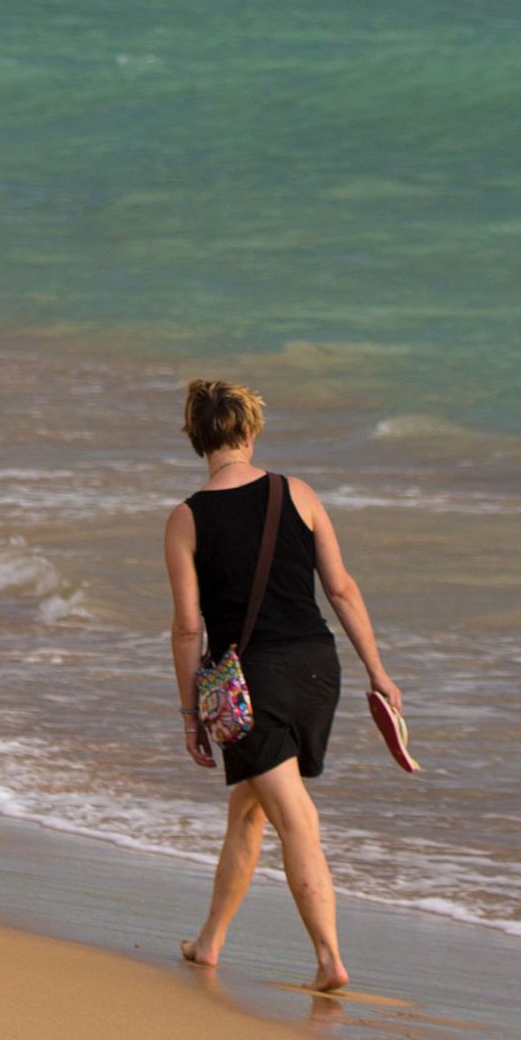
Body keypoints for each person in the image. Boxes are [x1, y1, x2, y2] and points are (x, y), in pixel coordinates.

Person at [166, 376, 403, 990]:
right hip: (319, 671)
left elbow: (188, 629)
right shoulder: (298, 493)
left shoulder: (186, 520)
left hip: (250, 688)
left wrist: (191, 714)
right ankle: (210, 942)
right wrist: (378, 673)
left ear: (197, 438)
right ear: (249, 430)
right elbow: (342, 589)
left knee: (294, 817)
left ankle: (329, 959)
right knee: (249, 809)